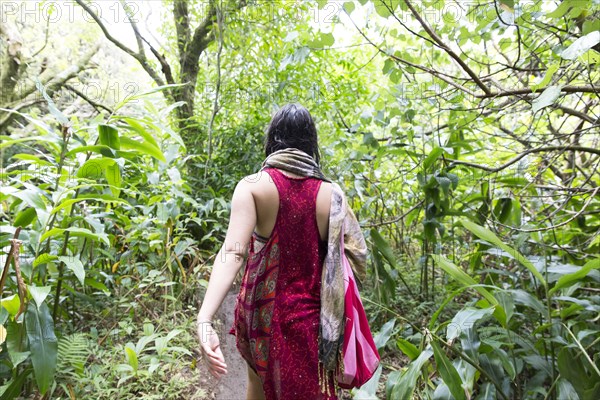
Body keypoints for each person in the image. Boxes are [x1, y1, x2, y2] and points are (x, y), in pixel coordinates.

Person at [196, 103, 368, 400]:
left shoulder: (252, 187)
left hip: (260, 314)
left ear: (272, 139)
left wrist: (205, 317)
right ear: (311, 143)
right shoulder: (332, 195)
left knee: (258, 387)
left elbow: (233, 253)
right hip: (312, 319)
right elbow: (354, 258)